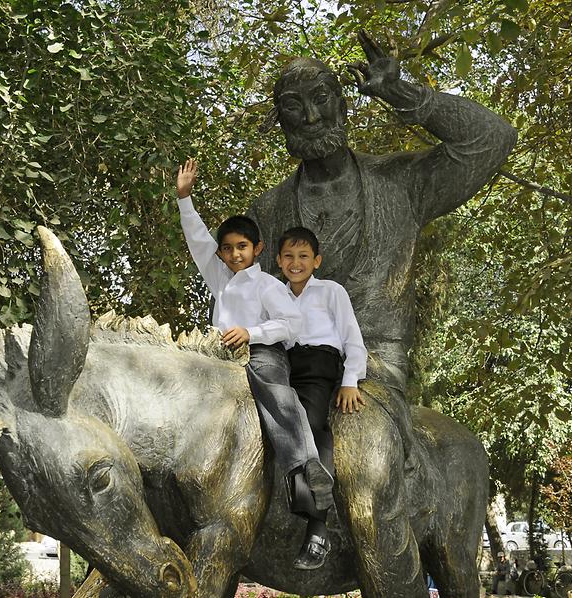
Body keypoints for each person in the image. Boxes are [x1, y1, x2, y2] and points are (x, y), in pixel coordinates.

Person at [247, 31, 517, 461]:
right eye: (294, 106)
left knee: (360, 464)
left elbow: (493, 138)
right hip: (296, 371)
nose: (312, 117)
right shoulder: (267, 210)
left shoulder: (401, 183)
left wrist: (402, 93)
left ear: (343, 103)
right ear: (280, 119)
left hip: (374, 368)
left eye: (321, 98)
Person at [175, 158, 335, 568]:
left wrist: (252, 334)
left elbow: (291, 323)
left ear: (257, 250)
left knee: (274, 391)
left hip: (261, 353)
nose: (232, 254)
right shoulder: (219, 276)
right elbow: (196, 240)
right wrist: (184, 198)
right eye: (227, 248)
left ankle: (306, 463)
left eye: (240, 248)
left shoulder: (267, 284)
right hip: (218, 356)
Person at [275, 226, 367, 569]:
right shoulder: (274, 295)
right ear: (278, 260)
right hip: (283, 365)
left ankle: (318, 527)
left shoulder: (331, 292)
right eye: (288, 256)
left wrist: (350, 380)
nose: (295, 263)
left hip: (319, 364)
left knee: (309, 422)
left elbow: (352, 339)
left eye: (303, 256)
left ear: (317, 261)